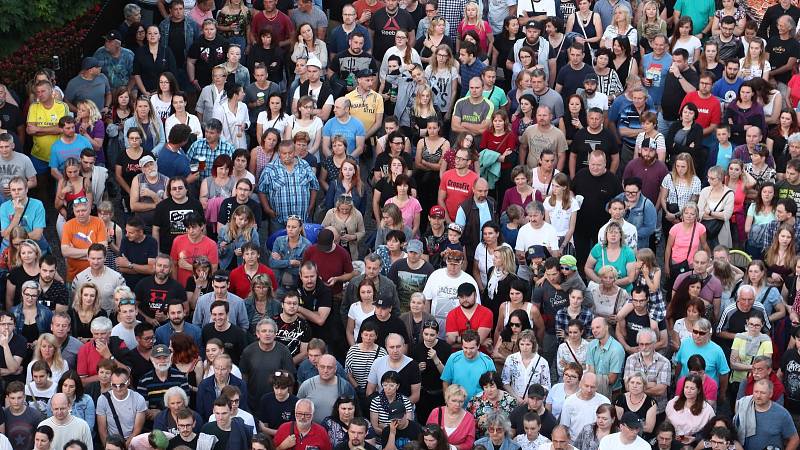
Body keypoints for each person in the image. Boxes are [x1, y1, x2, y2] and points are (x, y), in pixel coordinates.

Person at [559, 373, 611, 438]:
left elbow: (609, 426)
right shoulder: (569, 402)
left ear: (597, 387)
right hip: (575, 443)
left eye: (592, 387)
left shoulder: (604, 401)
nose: (589, 390)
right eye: (586, 386)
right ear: (580, 384)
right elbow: (564, 427)